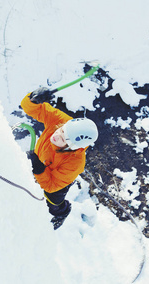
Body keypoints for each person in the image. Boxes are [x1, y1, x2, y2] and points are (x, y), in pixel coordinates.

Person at [21, 87, 98, 230]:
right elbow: (33, 109)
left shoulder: (75, 163)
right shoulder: (61, 122)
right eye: (61, 130)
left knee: (53, 201)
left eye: (63, 138)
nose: (56, 135)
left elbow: (51, 185)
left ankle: (62, 212)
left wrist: (38, 170)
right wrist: (33, 99)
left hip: (56, 181)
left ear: (72, 146)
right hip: (40, 161)